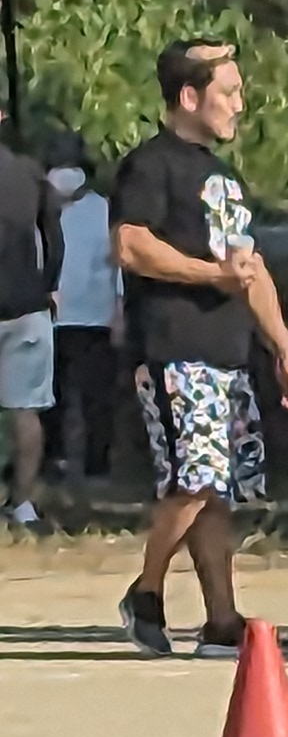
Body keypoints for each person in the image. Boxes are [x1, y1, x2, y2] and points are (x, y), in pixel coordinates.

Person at [110, 41, 288, 657]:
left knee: (218, 489)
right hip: (175, 349)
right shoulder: (150, 166)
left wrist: (284, 348)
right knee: (194, 479)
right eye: (229, 92)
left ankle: (222, 622)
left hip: (228, 352)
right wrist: (209, 276)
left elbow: (250, 270)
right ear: (189, 97)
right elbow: (131, 245)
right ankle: (144, 593)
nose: (240, 106)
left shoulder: (225, 178)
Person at [0, 122, 66, 529]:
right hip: (26, 303)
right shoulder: (29, 171)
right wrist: (50, 286)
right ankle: (23, 503)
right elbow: (54, 238)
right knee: (26, 411)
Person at [46, 129, 119, 490]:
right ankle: (69, 460)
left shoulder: (98, 208)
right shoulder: (100, 206)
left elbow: (118, 262)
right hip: (72, 315)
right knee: (67, 396)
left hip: (80, 314)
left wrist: (118, 309)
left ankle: (88, 461)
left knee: (83, 397)